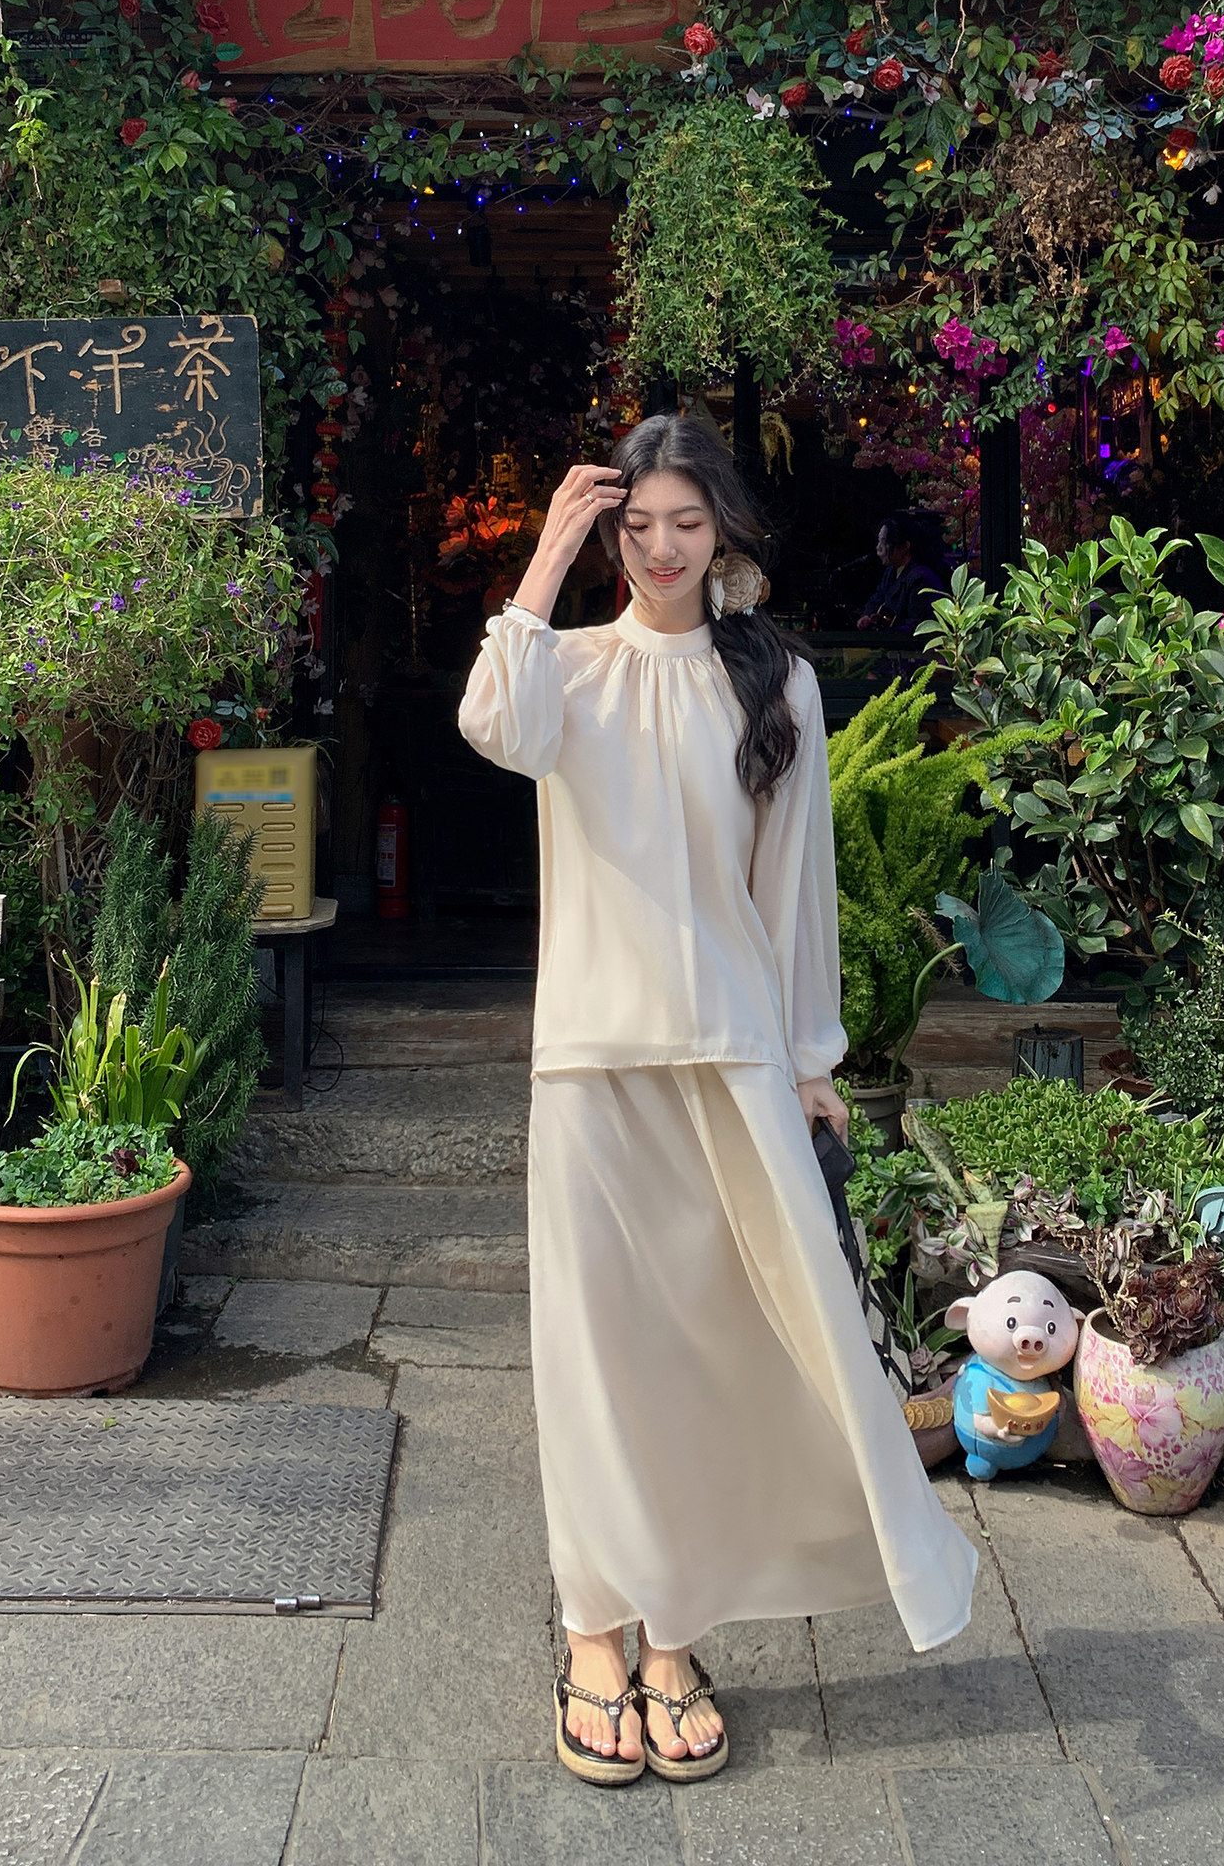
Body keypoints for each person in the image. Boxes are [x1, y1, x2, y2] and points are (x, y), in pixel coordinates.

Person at [457, 415, 980, 1792]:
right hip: (590, 1061)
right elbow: (491, 724)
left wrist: (811, 1060)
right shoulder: (565, 670)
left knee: (709, 1355)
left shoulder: (776, 682)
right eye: (636, 525)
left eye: (685, 521)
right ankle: (591, 1631)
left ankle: (673, 1635)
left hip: (734, 1057)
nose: (662, 547)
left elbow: (792, 888)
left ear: (724, 529)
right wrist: (545, 552)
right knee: (593, 1356)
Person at [857, 512, 947, 632]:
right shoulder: (890, 572)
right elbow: (876, 599)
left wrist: (888, 630)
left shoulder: (920, 579)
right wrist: (867, 616)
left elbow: (917, 625)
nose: (878, 547)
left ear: (905, 546)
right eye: (879, 541)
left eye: (884, 542)